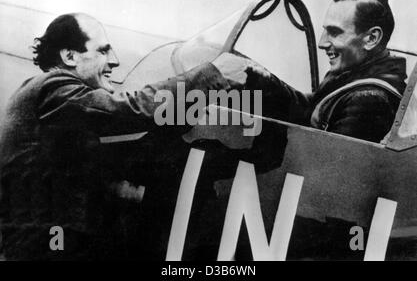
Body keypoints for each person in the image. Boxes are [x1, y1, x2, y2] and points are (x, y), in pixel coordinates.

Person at [0, 13, 260, 260]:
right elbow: (128, 109)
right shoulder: (52, 88)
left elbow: (135, 141)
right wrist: (210, 75)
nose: (114, 60)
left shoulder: (65, 110)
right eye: (103, 50)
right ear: (69, 56)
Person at [260, 0, 407, 143]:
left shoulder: (368, 100)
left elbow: (322, 161)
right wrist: (256, 77)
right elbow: (310, 108)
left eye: (335, 32)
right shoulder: (353, 74)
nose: (321, 43)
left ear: (371, 38)